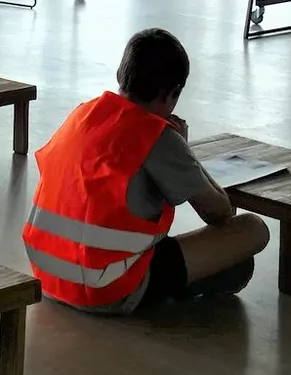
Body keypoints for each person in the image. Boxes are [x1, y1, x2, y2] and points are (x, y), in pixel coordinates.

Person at [22, 28, 269, 314]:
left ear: (120, 74)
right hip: (106, 288)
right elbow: (220, 212)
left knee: (231, 261)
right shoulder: (154, 135)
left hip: (47, 273)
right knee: (252, 231)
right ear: (172, 94)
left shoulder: (82, 115)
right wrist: (183, 149)